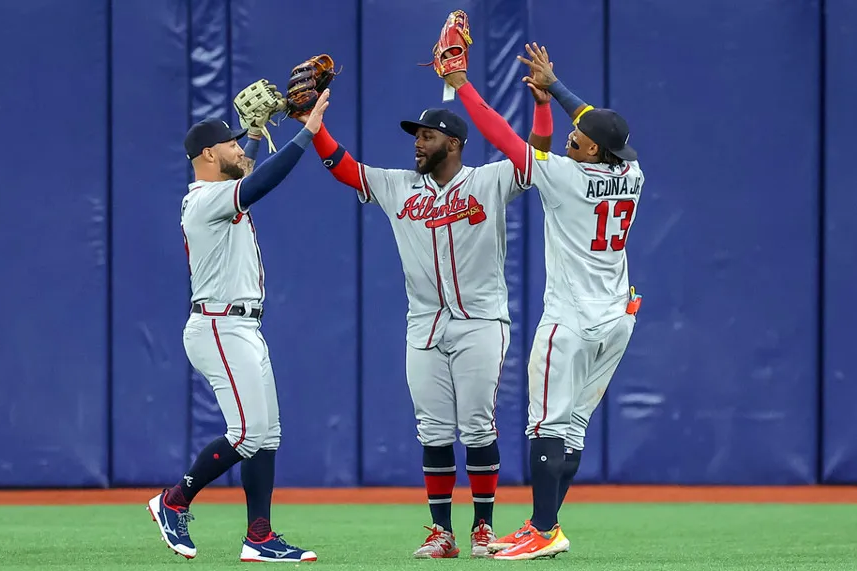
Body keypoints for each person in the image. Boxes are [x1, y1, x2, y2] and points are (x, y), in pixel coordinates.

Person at [302, 89, 553, 557]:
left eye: (427, 136)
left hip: (480, 322)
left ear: (454, 142)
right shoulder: (400, 186)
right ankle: (442, 533)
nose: (417, 144)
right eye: (415, 136)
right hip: (424, 327)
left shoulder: (489, 180)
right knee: (433, 430)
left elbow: (535, 153)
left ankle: (482, 528)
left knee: (477, 426)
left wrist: (542, 105)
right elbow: (344, 167)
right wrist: (315, 129)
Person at [443, 42, 644, 560]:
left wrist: (461, 83)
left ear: (592, 150)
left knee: (545, 425)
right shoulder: (633, 173)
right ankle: (545, 524)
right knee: (572, 426)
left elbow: (502, 137)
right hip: (618, 318)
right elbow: (593, 123)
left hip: (571, 320)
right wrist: (553, 89)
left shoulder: (566, 176)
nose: (571, 132)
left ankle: (544, 529)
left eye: (578, 135)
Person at [146, 87, 331, 563]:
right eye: (229, 143)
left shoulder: (216, 193)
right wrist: (307, 133)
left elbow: (242, 173)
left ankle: (260, 537)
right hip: (218, 325)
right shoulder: (206, 200)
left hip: (241, 327)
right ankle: (174, 500)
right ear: (208, 154)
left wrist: (249, 136)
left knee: (266, 437)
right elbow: (258, 183)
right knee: (247, 433)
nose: (238, 148)